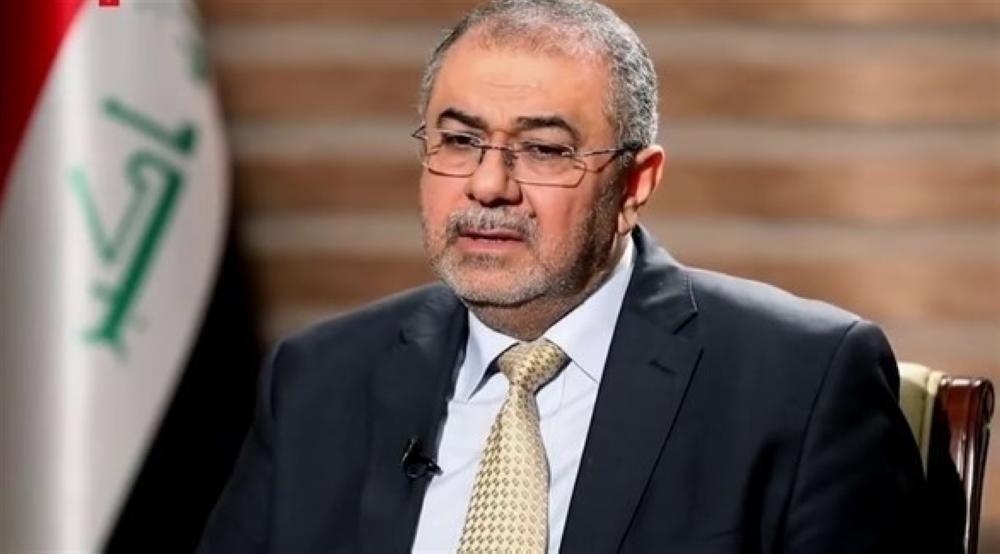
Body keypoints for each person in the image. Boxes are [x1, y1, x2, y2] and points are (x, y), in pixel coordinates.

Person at [198, 1, 928, 552]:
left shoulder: (799, 381)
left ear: (635, 184)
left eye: (545, 150)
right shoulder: (317, 379)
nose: (488, 185)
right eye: (459, 140)